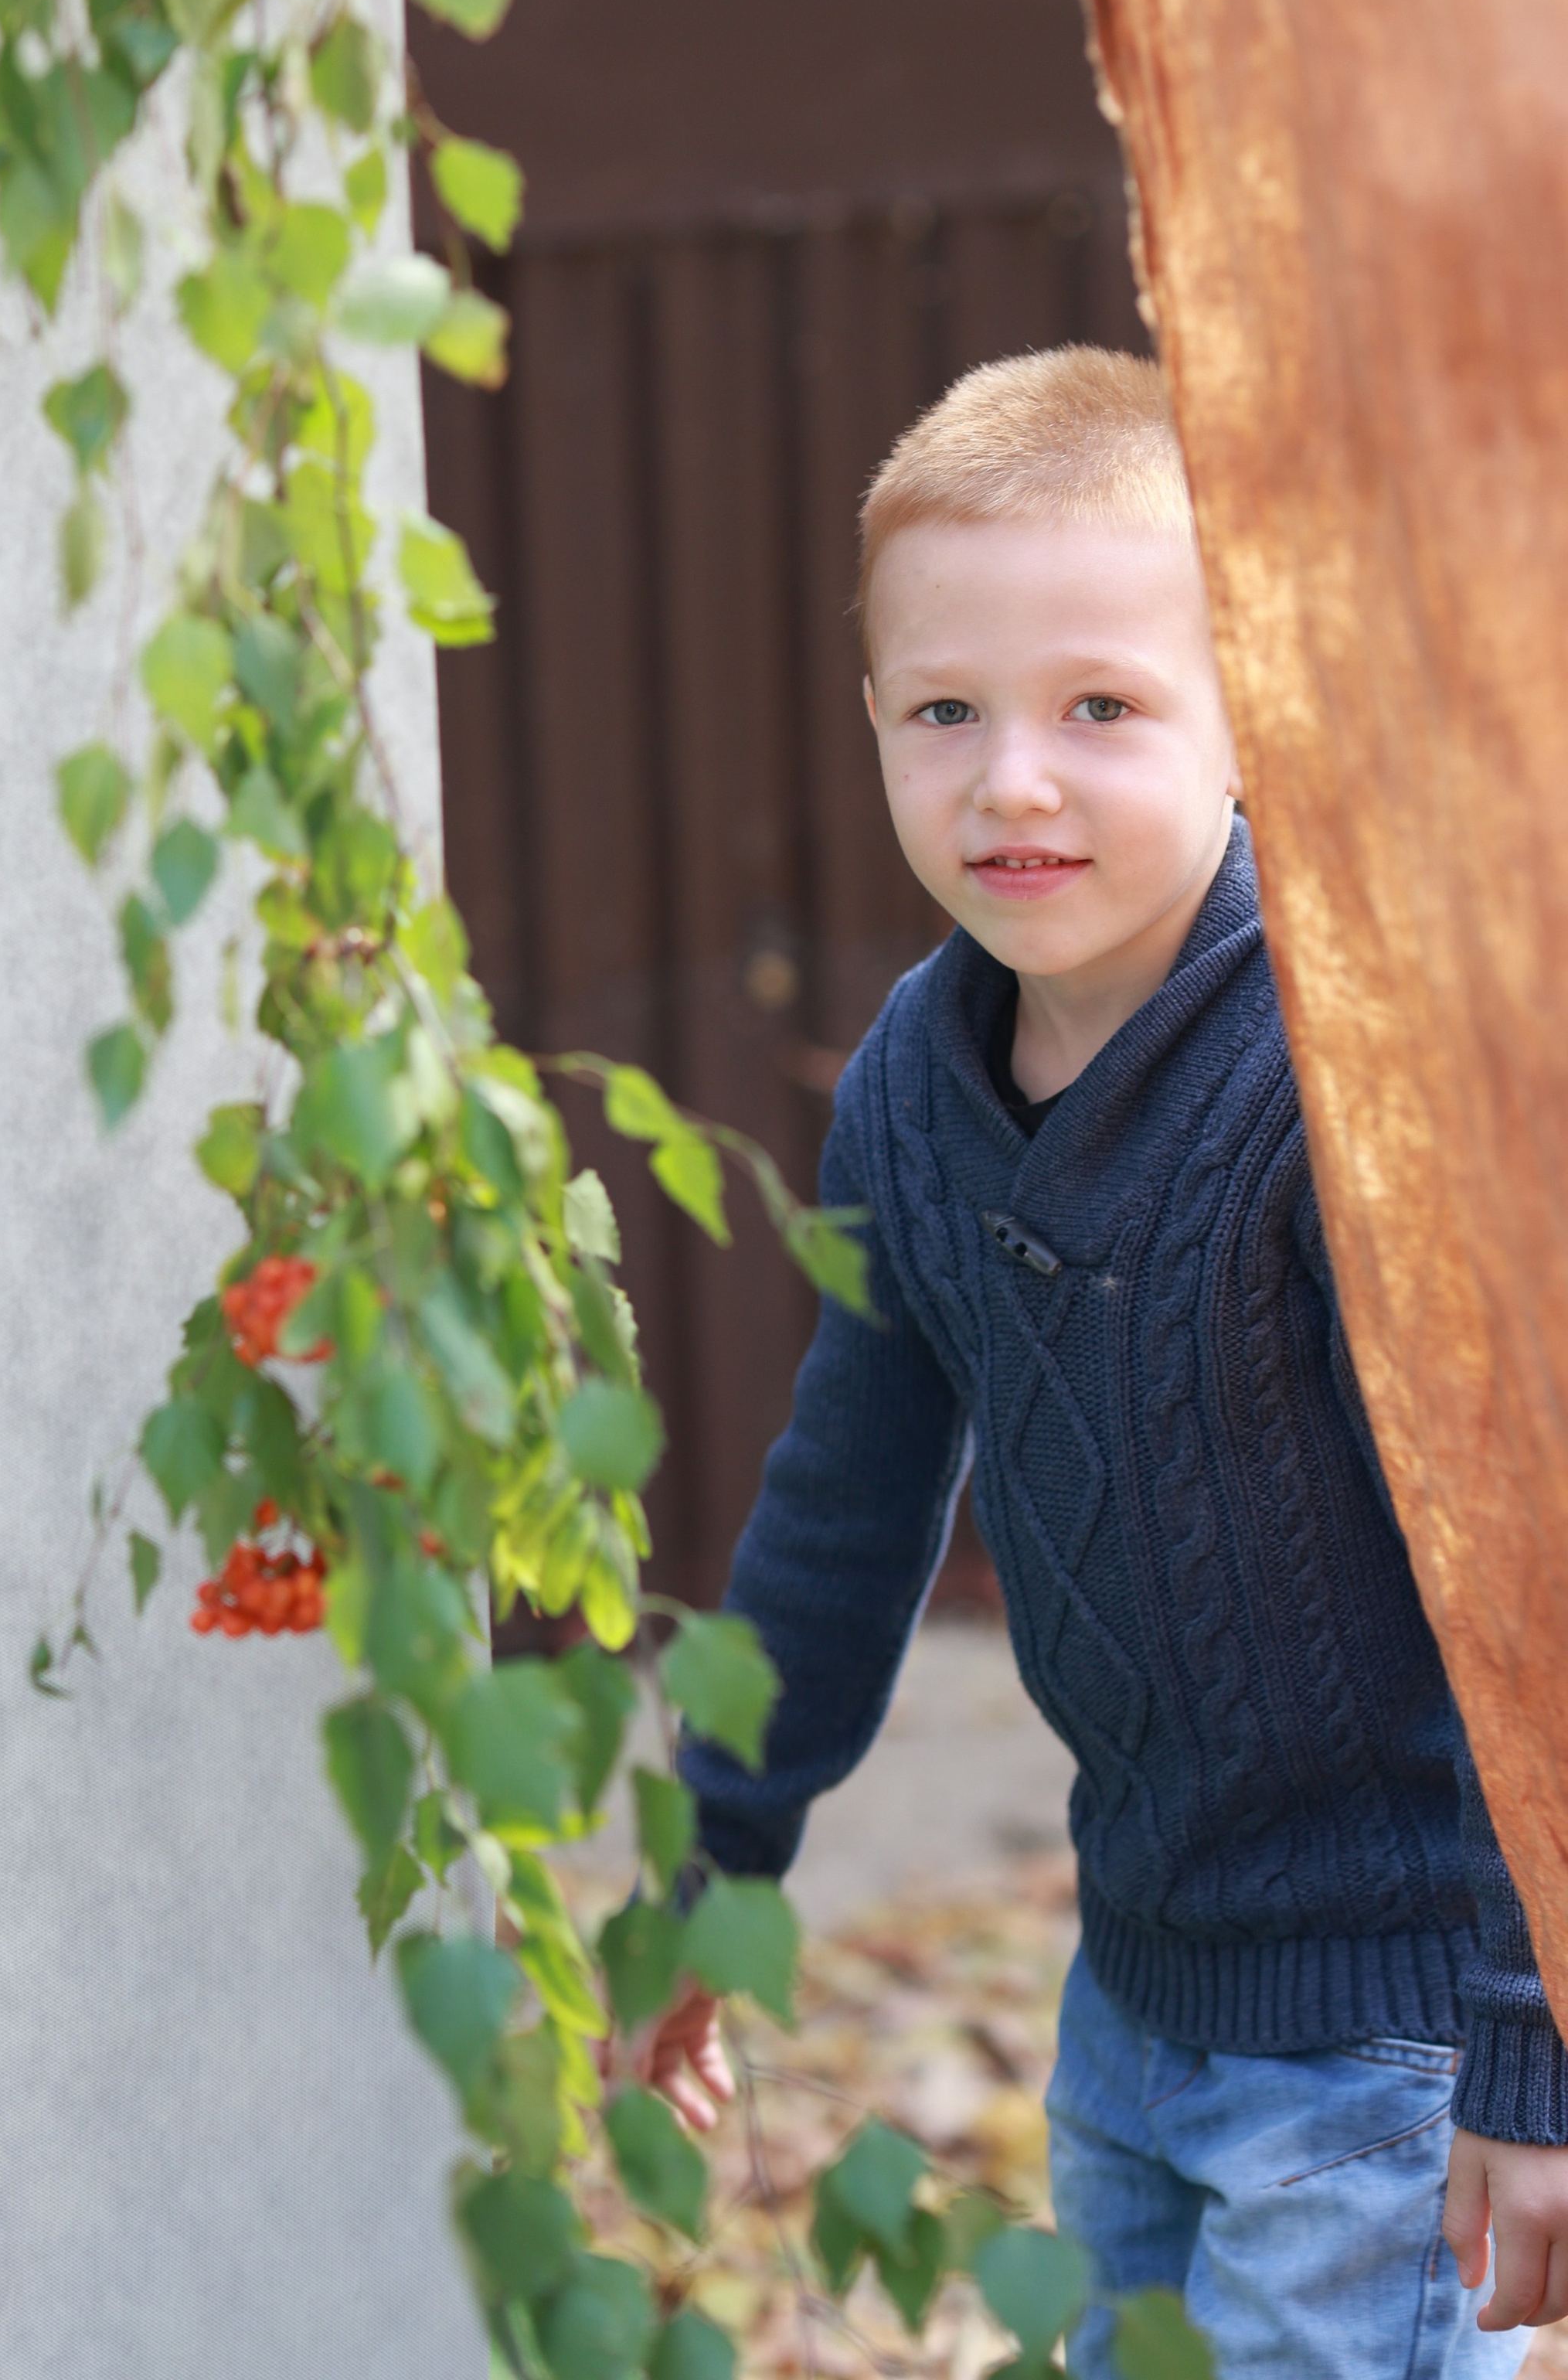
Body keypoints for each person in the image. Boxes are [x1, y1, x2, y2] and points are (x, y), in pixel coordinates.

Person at [638, 348, 1568, 2375]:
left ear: (1259, 707)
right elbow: (842, 1507)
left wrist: (1535, 2037)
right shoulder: (914, 1084)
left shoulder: (1346, 1091)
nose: (1014, 783)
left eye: (1102, 709)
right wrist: (717, 1856)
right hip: (1135, 1986)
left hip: (1396, 2032)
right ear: (874, 720)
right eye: (947, 713)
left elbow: (1526, 1587)